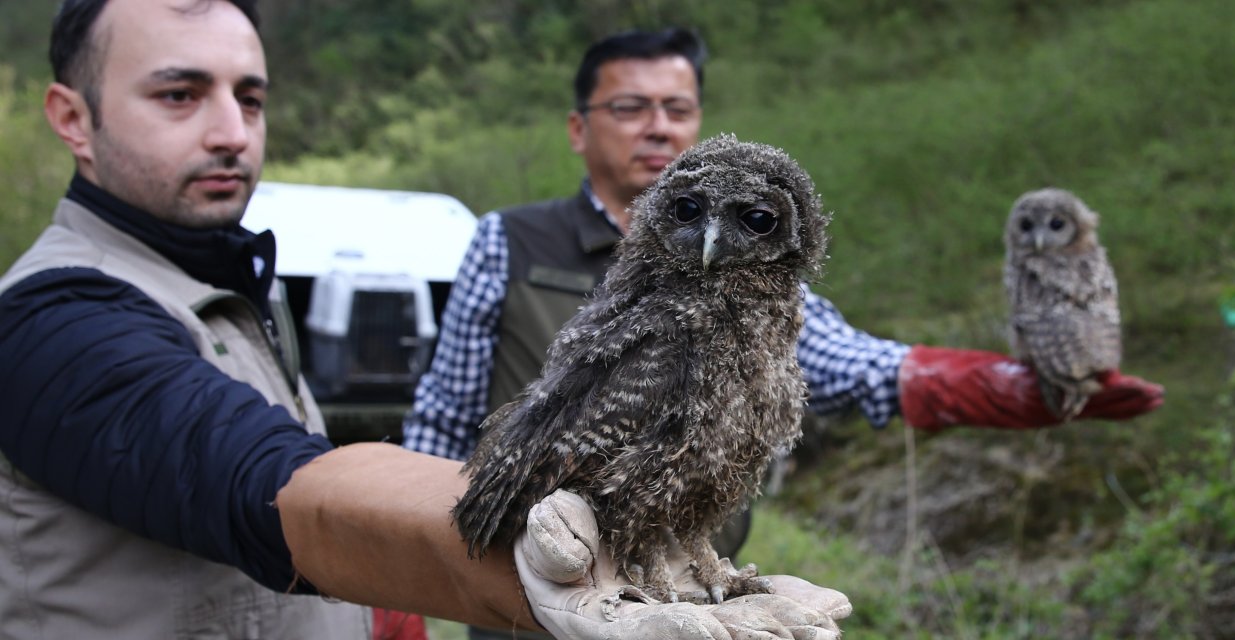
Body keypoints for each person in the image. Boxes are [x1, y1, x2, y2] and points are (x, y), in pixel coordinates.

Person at [0, 3, 852, 639]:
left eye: (250, 98)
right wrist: (476, 556)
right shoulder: (53, 318)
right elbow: (245, 471)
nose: (230, 131)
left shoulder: (219, 276)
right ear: (73, 117)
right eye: (179, 95)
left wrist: (377, 607)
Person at [402, 27, 1163, 638]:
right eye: (631, 107)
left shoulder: (773, 292)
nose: (658, 125)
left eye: (677, 108)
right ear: (579, 127)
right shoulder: (509, 239)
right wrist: (410, 564)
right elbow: (442, 413)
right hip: (528, 573)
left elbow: (848, 361)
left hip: (686, 600)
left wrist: (991, 387)